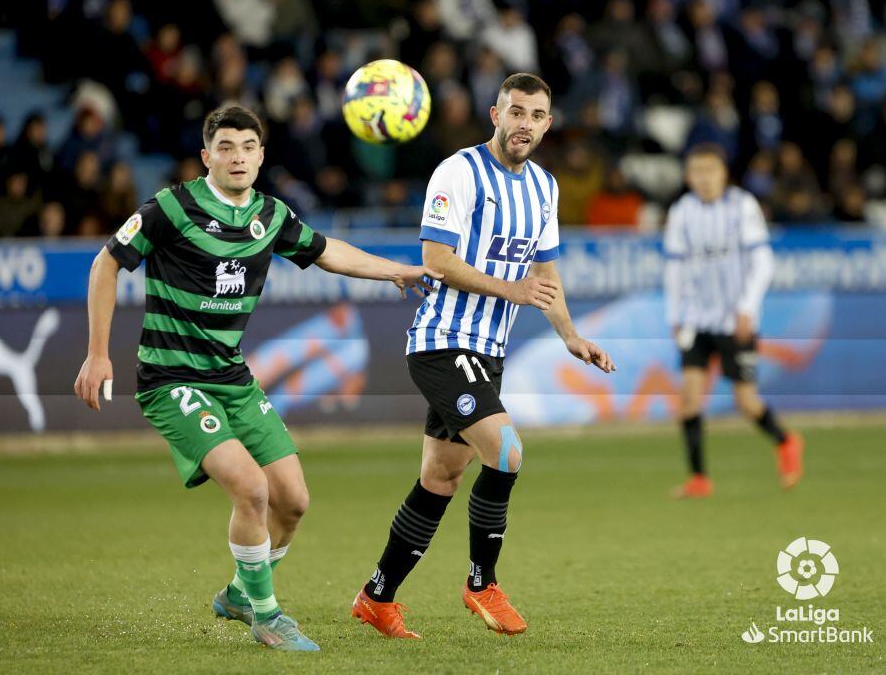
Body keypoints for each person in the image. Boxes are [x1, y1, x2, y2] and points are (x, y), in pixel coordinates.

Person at [73, 105, 438, 652]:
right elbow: (106, 264)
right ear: (207, 156)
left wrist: (394, 268)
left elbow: (326, 251)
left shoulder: (270, 215)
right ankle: (266, 616)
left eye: (247, 146)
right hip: (170, 379)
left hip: (231, 377)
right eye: (225, 147)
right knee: (251, 489)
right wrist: (97, 353)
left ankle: (241, 593)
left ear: (262, 156)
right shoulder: (171, 207)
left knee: (293, 502)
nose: (237, 156)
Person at [351, 74, 616, 638]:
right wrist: (510, 288)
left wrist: (570, 335)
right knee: (508, 451)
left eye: (536, 115)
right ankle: (481, 584)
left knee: (440, 479)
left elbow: (544, 273)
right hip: (443, 342)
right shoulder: (458, 172)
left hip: (486, 352)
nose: (524, 123)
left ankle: (377, 596)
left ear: (548, 124)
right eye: (514, 111)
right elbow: (437, 259)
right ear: (495, 114)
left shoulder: (545, 187)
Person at [663, 143, 804, 499]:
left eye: (711, 170)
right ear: (688, 176)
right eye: (697, 171)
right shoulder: (682, 212)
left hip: (735, 320)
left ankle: (786, 441)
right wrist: (675, 314)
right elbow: (675, 268)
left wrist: (747, 308)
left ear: (723, 173)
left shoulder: (742, 207)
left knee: (746, 401)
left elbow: (763, 262)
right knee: (690, 400)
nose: (704, 178)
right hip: (697, 319)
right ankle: (699, 479)